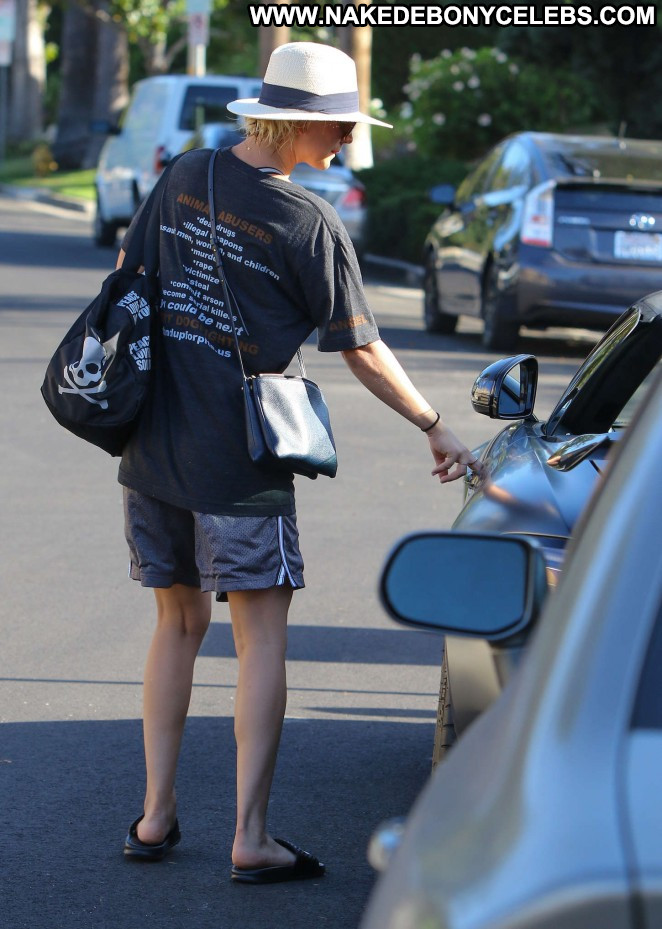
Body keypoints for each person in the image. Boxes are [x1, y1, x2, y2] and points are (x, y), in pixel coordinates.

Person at [116, 41, 484, 884]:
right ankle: (250, 836)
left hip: (153, 444)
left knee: (177, 624)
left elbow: (128, 275)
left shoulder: (186, 173)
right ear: (298, 124)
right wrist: (434, 423)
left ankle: (154, 815)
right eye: (342, 127)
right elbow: (361, 347)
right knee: (260, 638)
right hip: (241, 462)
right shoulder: (308, 222)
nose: (349, 142)